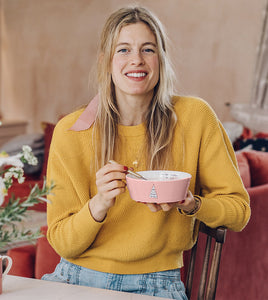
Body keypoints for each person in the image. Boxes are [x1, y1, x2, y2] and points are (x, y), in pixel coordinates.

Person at [42, 6, 250, 300]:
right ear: (105, 62)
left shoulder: (196, 117)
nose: (136, 60)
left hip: (157, 284)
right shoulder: (71, 132)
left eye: (148, 49)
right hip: (75, 279)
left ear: (161, 59)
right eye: (123, 49)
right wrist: (99, 203)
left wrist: (191, 204)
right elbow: (63, 243)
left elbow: (239, 212)